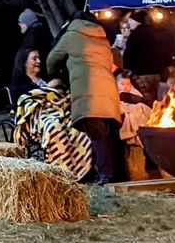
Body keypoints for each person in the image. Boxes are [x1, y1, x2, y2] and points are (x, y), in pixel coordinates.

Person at [44, 10, 122, 184]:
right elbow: (117, 62)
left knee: (97, 135)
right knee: (105, 135)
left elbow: (51, 60)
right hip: (109, 89)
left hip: (88, 90)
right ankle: (106, 173)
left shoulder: (71, 36)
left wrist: (57, 72)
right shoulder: (102, 39)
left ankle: (104, 176)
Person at [15, 9, 53, 86]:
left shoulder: (31, 36)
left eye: (21, 23)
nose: (20, 26)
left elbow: (28, 54)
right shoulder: (43, 31)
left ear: (27, 22)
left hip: (42, 71)